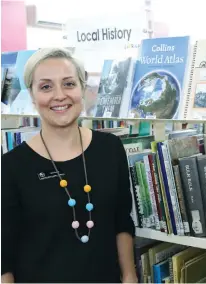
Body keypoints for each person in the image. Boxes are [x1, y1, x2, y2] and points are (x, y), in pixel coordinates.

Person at [1, 48, 138, 283]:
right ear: (32, 97)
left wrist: (129, 277)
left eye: (68, 84)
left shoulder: (111, 148)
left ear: (82, 89)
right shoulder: (11, 167)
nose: (59, 95)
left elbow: (121, 221)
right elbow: (5, 255)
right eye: (46, 87)